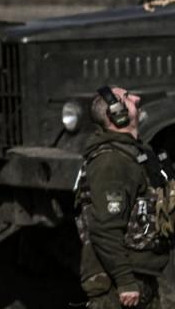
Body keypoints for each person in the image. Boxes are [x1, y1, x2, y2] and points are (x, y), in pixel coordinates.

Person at [74, 85, 175, 308]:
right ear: (117, 113)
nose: (138, 98)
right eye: (128, 97)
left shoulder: (136, 154)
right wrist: (125, 280)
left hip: (142, 276)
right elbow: (104, 229)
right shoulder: (111, 162)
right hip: (118, 285)